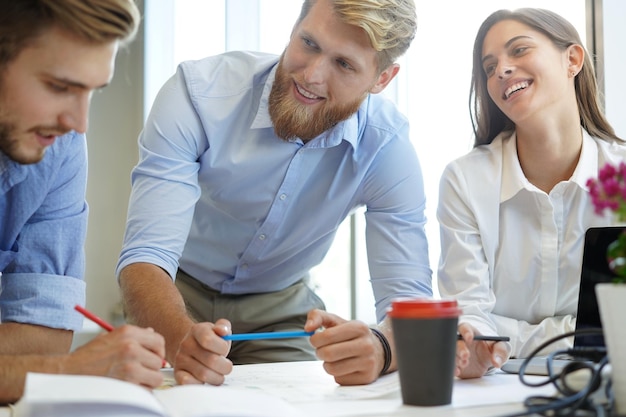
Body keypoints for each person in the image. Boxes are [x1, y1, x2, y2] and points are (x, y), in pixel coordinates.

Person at [117, 0, 431, 387]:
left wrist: (383, 348)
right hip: (175, 289)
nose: (312, 76)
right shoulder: (198, 94)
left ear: (381, 79)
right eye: (309, 44)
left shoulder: (387, 147)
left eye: (344, 64)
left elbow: (411, 303)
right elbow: (145, 256)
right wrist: (180, 336)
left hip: (281, 309)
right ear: (294, 28)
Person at [437, 8, 626, 379]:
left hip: (609, 383)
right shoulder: (465, 181)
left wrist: (506, 337)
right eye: (490, 67)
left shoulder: (620, 176)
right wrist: (584, 333)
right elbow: (469, 322)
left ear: (572, 59)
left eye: (519, 50)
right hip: (491, 391)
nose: (502, 70)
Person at [0, 0, 166, 403]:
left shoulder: (58, 148)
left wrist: (39, 367)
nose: (79, 123)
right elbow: (49, 361)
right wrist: (69, 372)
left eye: (92, 91)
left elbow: (43, 337)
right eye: (60, 87)